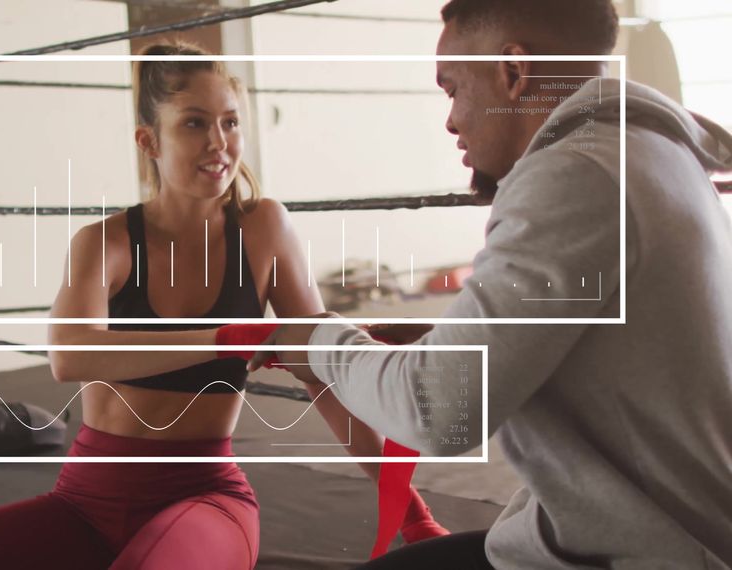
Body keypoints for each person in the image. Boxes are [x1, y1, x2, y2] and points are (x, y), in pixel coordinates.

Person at [0, 42, 442, 570]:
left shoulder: (264, 229)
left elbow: (327, 383)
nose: (219, 143)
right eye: (194, 124)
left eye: (230, 122)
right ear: (149, 141)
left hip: (206, 499)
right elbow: (69, 356)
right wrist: (224, 338)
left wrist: (413, 514)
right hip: (85, 502)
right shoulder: (105, 243)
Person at [250, 1, 732, 568]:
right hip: (656, 528)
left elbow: (438, 410)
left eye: (452, 88)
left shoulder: (577, 173)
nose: (451, 120)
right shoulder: (648, 150)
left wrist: (313, 340)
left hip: (639, 552)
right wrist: (451, 334)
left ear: (513, 71)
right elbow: (606, 331)